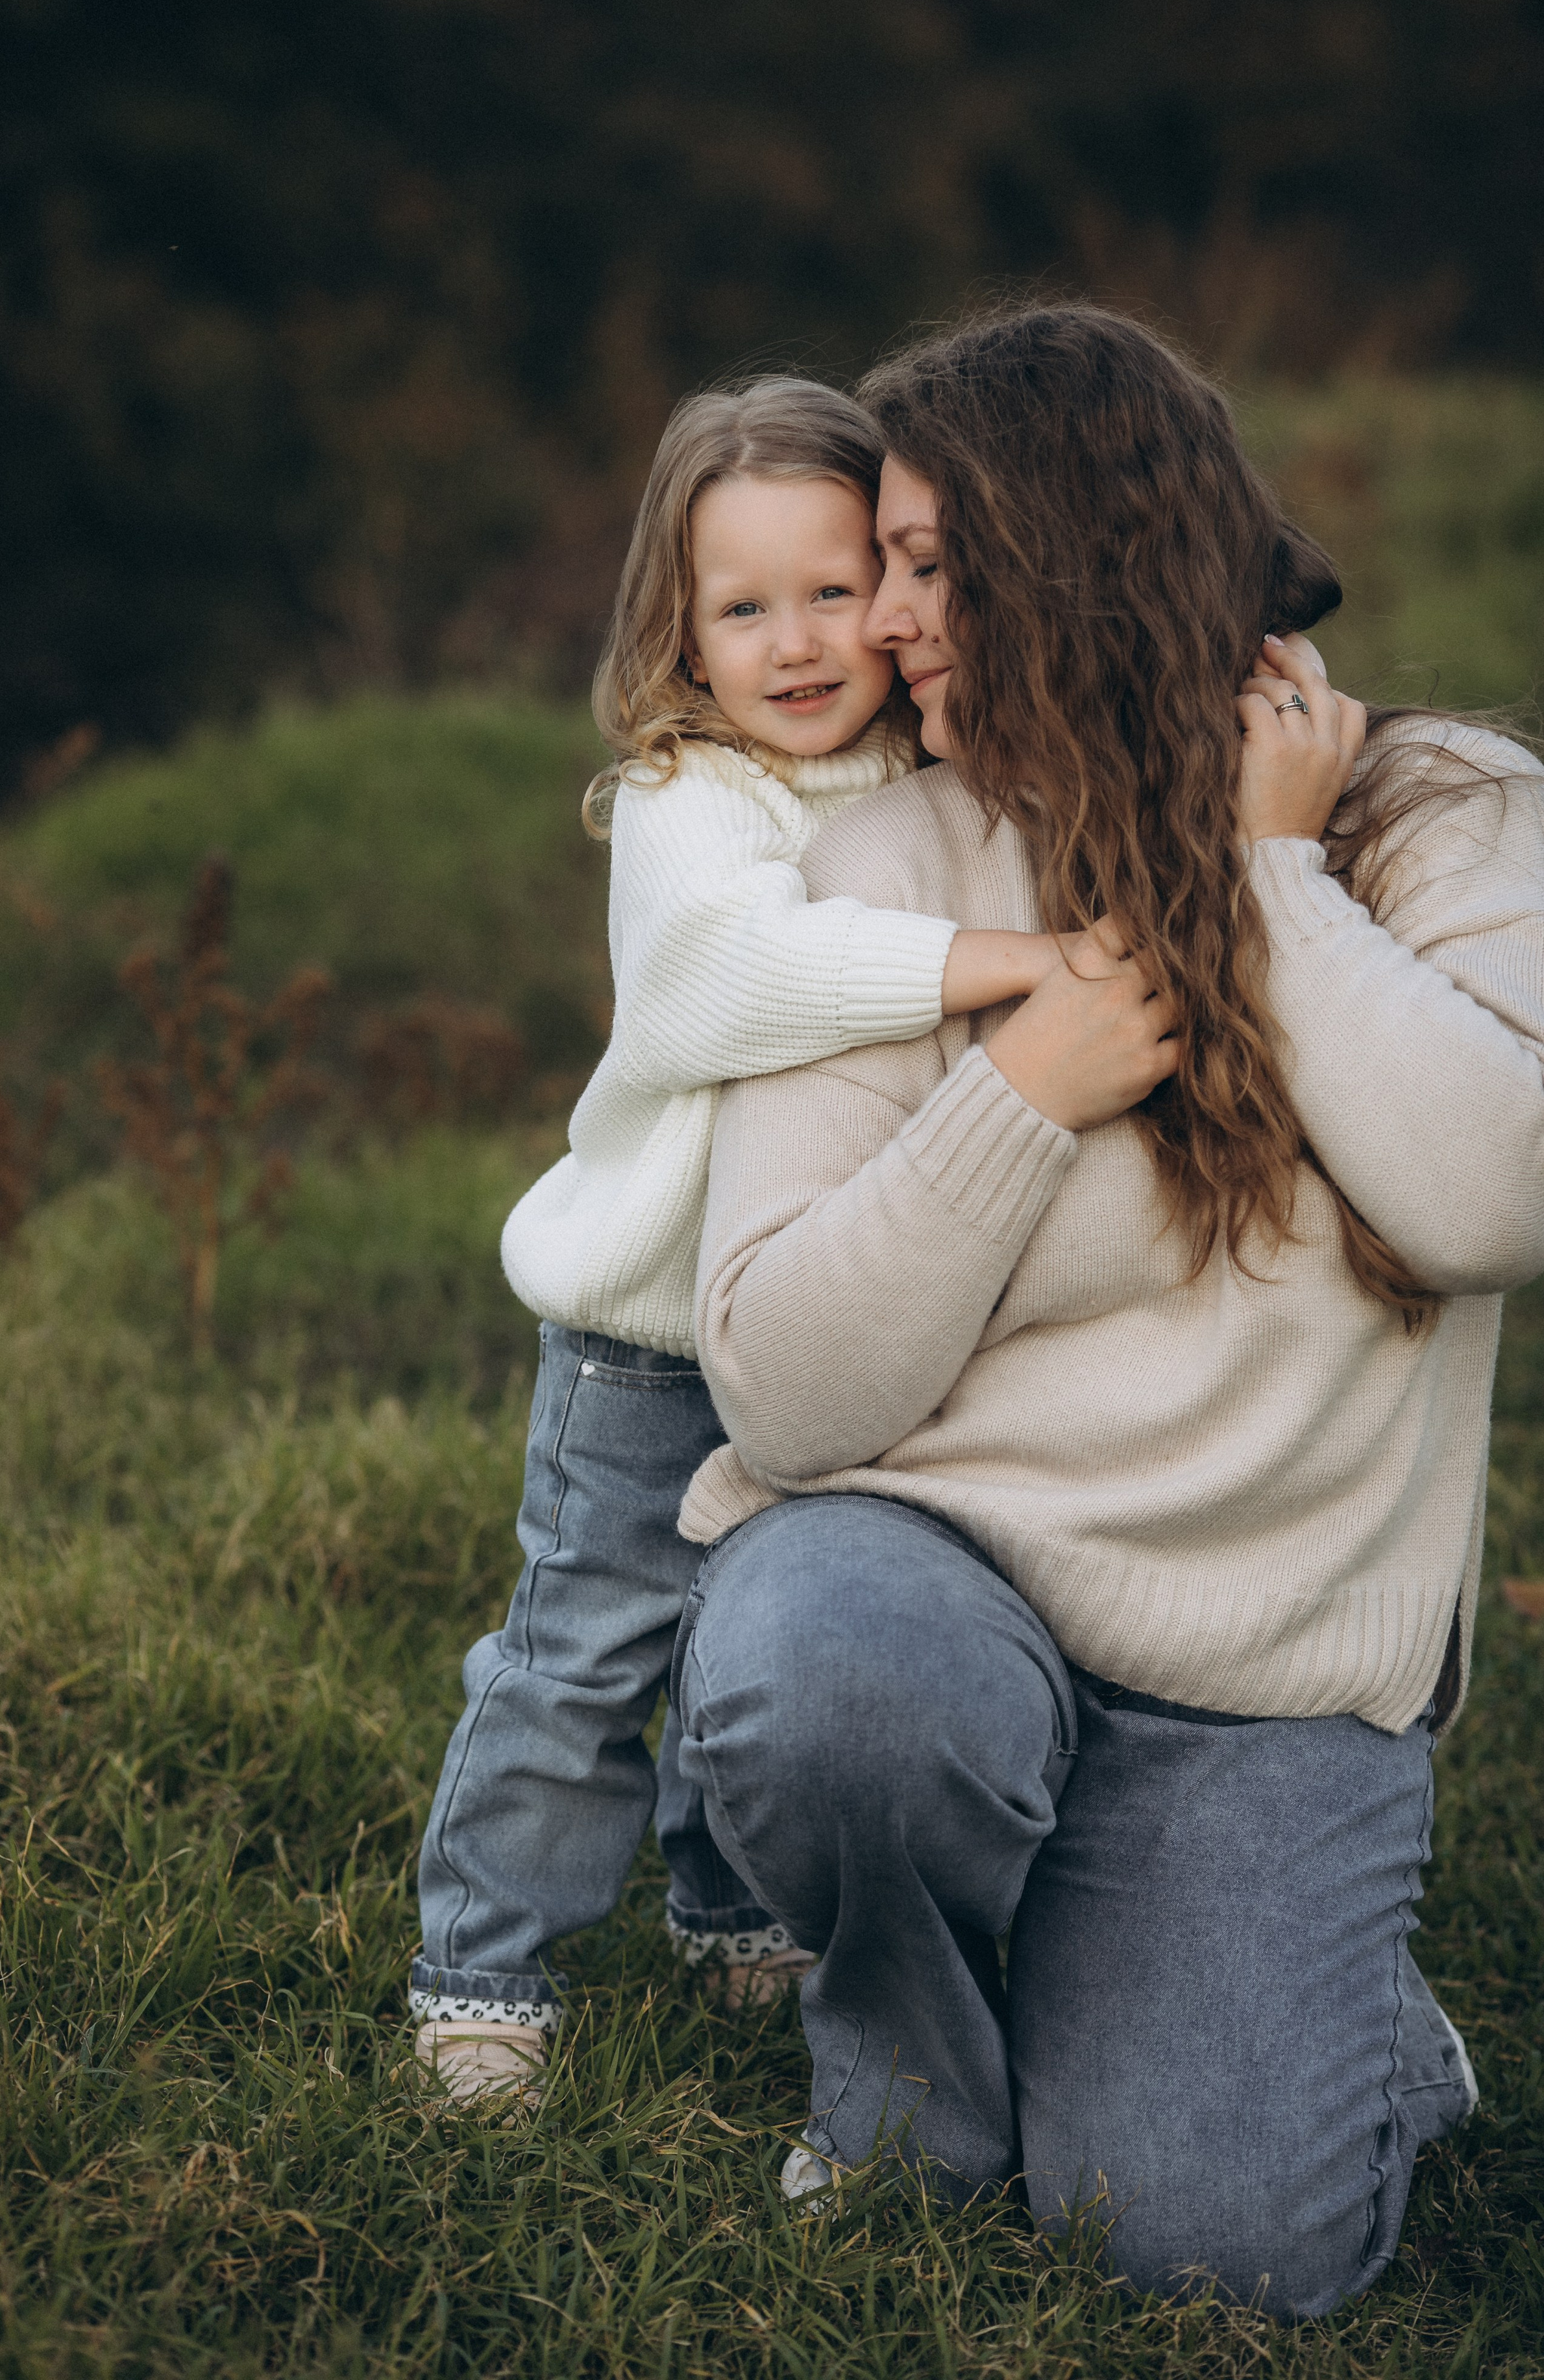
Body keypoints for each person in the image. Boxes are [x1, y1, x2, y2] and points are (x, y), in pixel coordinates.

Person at [670, 306, 1544, 2314]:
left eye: (925, 563)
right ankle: (908, 2064)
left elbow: (1493, 1193)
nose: (885, 625)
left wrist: (1271, 883)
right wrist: (1015, 1090)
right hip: (923, 1598)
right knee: (837, 1673)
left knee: (1218, 2258)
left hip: (1262, 1691)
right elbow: (785, 1388)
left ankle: (1326, 2016)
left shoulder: (1442, 817)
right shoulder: (895, 861)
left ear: (1080, 551)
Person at [409, 377, 1081, 2101]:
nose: (797, 642)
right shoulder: (685, 801)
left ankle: (729, 1918)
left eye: (835, 588)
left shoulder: (932, 772)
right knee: (587, 1661)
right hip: (651, 1345)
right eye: (741, 606)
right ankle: (482, 1975)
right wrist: (996, 971)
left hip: (834, 1316)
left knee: (752, 1640)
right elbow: (726, 982)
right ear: (682, 639)